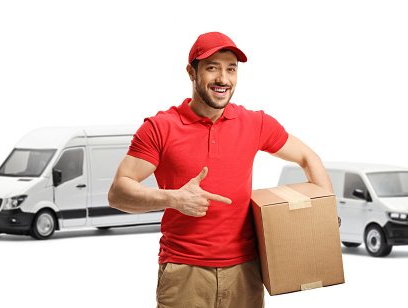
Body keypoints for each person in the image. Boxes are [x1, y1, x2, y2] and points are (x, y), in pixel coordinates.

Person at [108, 31, 333, 308]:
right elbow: (118, 192)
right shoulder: (160, 128)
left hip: (246, 271)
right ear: (192, 72)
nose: (223, 79)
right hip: (184, 272)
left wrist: (325, 211)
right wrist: (173, 198)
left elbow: (308, 157)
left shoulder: (255, 123)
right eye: (212, 67)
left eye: (231, 69)